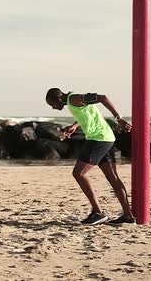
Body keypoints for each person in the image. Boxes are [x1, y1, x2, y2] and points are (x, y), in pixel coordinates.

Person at [45, 88, 136, 225]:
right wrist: (75, 126)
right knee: (113, 178)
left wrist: (119, 119)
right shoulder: (73, 101)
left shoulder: (73, 98)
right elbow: (88, 114)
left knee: (78, 173)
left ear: (59, 98)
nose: (53, 107)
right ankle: (129, 217)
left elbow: (103, 97)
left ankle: (98, 213)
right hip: (106, 138)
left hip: (98, 139)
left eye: (52, 104)